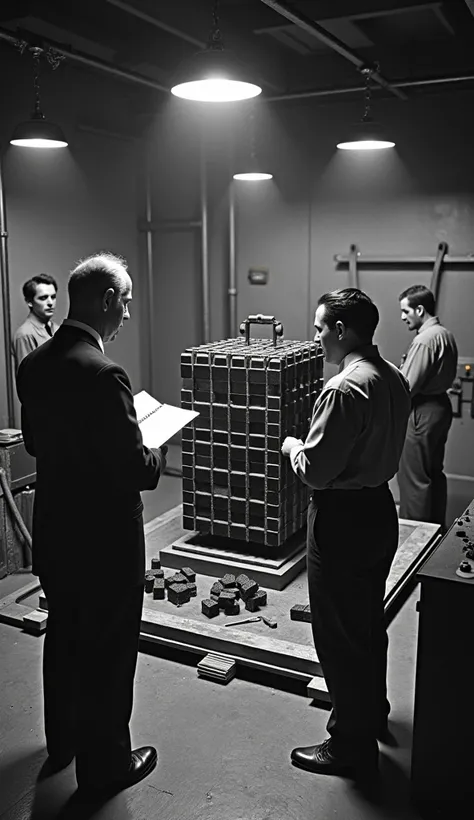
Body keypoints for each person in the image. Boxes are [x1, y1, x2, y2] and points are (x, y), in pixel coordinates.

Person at [16, 253, 167, 797]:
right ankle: (106, 766)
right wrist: (155, 450)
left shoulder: (34, 365)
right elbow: (135, 469)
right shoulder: (105, 373)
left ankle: (63, 742)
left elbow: (36, 443)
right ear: (107, 300)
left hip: (57, 527)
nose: (127, 315)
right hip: (106, 539)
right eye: (125, 302)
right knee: (108, 647)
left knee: (64, 633)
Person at [281, 288, 411, 779]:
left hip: (342, 519)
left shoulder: (343, 388)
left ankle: (350, 745)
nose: (315, 338)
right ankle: (370, 713)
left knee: (337, 634)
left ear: (341, 330)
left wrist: (294, 445)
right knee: (365, 623)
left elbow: (316, 470)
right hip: (379, 509)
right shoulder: (391, 376)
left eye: (319, 329)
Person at [397, 285, 457, 528]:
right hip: (439, 408)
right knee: (433, 474)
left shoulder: (424, 340)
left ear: (419, 309)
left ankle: (415, 542)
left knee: (414, 479)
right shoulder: (445, 334)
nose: (402, 317)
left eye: (405, 311)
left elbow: (407, 386)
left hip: (421, 411)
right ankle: (434, 534)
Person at [12, 274, 59, 371]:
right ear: (29, 302)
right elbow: (26, 377)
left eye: (53, 297)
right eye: (43, 298)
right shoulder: (25, 335)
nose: (50, 302)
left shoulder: (58, 329)